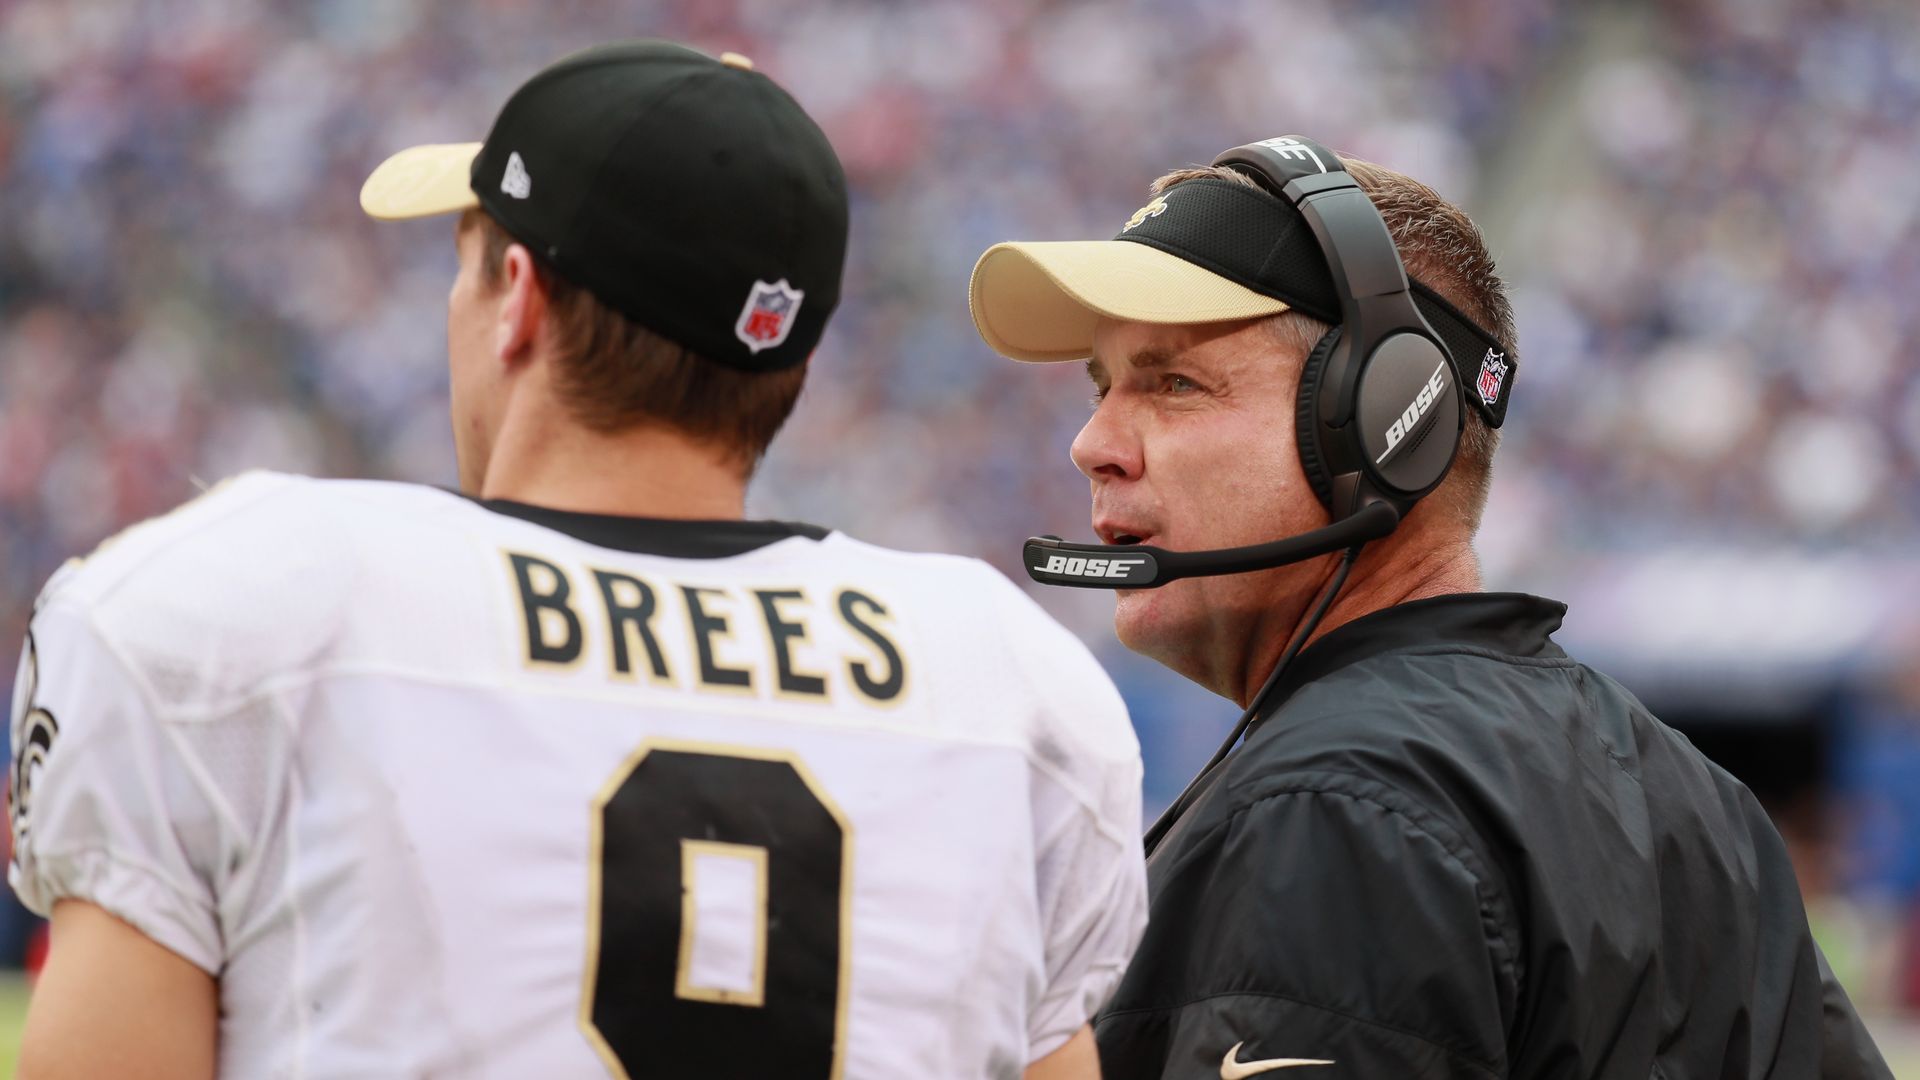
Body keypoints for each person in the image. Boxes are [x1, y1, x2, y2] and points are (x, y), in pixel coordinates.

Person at [9, 40, 1146, 1079]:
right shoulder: (1005, 679)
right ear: (785, 360)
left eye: (466, 268)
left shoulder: (253, 602)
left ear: (517, 300)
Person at [967, 135, 1891, 1078]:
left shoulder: (1335, 805)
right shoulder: (1703, 807)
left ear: (1382, 419)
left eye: (1174, 384)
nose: (1093, 442)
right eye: (1102, 386)